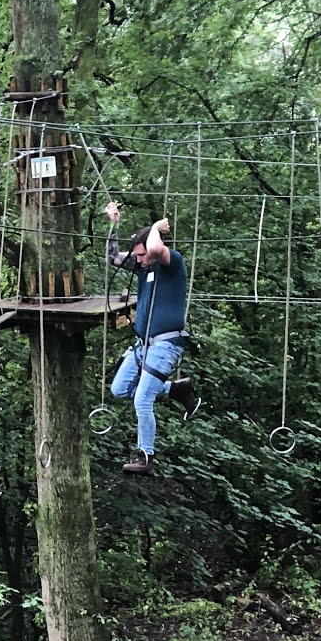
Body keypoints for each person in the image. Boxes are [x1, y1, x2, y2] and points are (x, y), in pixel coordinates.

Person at [104, 200, 196, 476]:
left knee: (142, 398)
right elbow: (112, 258)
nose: (140, 260)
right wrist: (114, 223)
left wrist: (156, 227)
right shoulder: (144, 267)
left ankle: (146, 456)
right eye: (138, 256)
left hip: (166, 344)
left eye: (142, 255)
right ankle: (175, 390)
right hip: (142, 345)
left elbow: (156, 248)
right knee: (119, 389)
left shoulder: (171, 262)